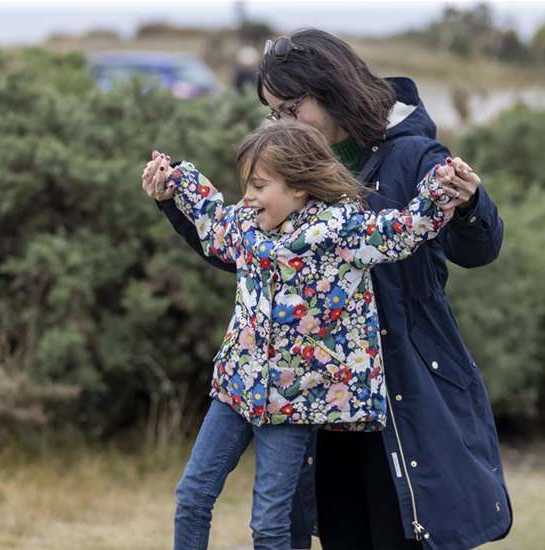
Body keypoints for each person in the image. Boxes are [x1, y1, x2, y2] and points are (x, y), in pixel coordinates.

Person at [146, 28, 509, 550]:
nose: (282, 122)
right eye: (274, 113)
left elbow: (478, 248)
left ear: (333, 90)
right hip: (316, 397)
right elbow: (257, 260)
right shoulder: (291, 167)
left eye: (291, 107)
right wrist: (173, 201)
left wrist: (470, 200)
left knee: (399, 533)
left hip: (400, 393)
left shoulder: (414, 155)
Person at [149, 120, 457, 550]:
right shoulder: (245, 226)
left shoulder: (342, 232)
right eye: (246, 185)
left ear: (298, 186)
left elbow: (404, 230)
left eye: (258, 186)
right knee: (193, 496)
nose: (249, 196)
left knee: (270, 524)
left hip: (295, 402)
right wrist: (175, 177)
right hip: (237, 386)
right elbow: (210, 216)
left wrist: (443, 188)